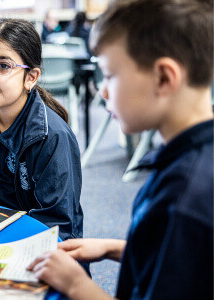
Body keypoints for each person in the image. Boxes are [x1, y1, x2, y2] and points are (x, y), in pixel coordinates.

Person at [27, 0, 213, 299]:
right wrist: (114, 248)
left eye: (110, 75)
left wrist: (77, 285)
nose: (102, 91)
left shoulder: (184, 198)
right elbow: (186, 260)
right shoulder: (193, 158)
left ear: (164, 78)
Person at [0, 18, 84, 243]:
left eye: (3, 66)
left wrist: (6, 247)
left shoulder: (52, 136)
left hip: (42, 248)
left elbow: (57, 224)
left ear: (30, 77)